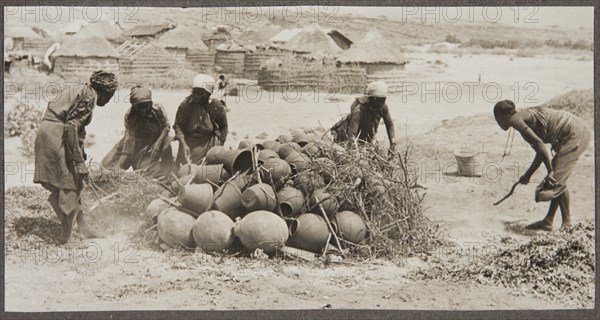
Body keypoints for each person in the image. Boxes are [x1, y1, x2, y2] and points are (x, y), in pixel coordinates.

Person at [34, 70, 118, 243]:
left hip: (50, 131)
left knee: (74, 183)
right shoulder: (89, 97)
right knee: (69, 183)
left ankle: (83, 228)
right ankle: (66, 238)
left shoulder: (83, 89)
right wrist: (78, 162)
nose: (108, 101)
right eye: (110, 96)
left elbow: (75, 126)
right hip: (55, 135)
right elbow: (71, 127)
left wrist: (80, 152)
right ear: (105, 92)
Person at [493, 100, 591, 231]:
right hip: (575, 130)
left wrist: (550, 170)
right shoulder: (523, 117)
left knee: (552, 184)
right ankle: (548, 221)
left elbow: (540, 144)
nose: (498, 123)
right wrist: (528, 175)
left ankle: (567, 224)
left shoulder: (515, 120)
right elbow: (540, 151)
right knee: (557, 180)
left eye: (497, 119)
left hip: (574, 134)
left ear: (504, 115)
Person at [101, 85, 174, 177]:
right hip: (139, 138)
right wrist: (119, 164)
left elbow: (166, 127)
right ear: (134, 106)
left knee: (147, 168)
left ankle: (168, 169)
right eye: (140, 107)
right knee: (107, 163)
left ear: (150, 103)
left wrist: (157, 144)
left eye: (146, 106)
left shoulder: (158, 108)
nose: (143, 110)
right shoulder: (130, 116)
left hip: (158, 137)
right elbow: (129, 141)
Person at [173, 74, 228, 165]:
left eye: (201, 93)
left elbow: (224, 126)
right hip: (188, 144)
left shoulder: (215, 106)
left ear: (208, 94)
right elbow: (177, 126)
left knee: (206, 171)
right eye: (195, 92)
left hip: (207, 144)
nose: (196, 96)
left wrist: (220, 145)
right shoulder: (186, 106)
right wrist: (183, 144)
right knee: (183, 170)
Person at [330, 81, 397, 151]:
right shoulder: (359, 110)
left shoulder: (383, 106)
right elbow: (352, 135)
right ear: (372, 99)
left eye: (384, 100)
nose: (382, 103)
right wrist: (356, 150)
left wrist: (393, 143)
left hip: (368, 137)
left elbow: (389, 124)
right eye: (379, 100)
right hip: (350, 138)